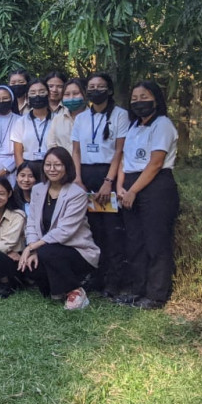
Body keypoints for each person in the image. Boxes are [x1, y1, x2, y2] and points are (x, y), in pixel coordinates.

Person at [115, 80, 180, 309]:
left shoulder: (162, 125)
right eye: (134, 99)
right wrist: (120, 187)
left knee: (156, 241)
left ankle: (155, 295)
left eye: (144, 97)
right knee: (135, 241)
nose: (138, 102)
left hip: (156, 185)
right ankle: (136, 289)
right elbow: (124, 160)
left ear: (155, 98)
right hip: (130, 184)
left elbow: (155, 163)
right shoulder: (134, 126)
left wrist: (133, 190)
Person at [72, 72, 129, 296]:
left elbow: (119, 151)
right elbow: (75, 151)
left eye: (100, 86)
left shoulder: (120, 115)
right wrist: (77, 178)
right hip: (85, 176)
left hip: (108, 174)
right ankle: (96, 276)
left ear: (109, 90)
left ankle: (114, 281)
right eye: (92, 86)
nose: (96, 90)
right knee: (91, 230)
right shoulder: (81, 118)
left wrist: (109, 182)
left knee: (111, 231)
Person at [20, 147, 99, 309]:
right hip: (46, 249)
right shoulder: (38, 189)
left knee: (47, 251)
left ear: (67, 167)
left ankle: (76, 291)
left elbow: (65, 231)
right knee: (30, 266)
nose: (52, 169)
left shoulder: (76, 193)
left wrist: (33, 247)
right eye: (48, 164)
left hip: (77, 251)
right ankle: (58, 287)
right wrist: (32, 249)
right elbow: (32, 223)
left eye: (57, 165)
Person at [12, 79, 53, 170]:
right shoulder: (21, 122)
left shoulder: (57, 120)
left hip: (52, 167)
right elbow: (18, 153)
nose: (37, 96)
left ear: (49, 95)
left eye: (42, 92)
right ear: (27, 97)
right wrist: (22, 171)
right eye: (33, 93)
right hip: (28, 167)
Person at [49, 78, 87, 151]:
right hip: (62, 161)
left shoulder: (94, 118)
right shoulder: (57, 119)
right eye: (67, 94)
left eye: (76, 94)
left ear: (85, 94)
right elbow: (51, 145)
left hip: (86, 161)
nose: (71, 97)